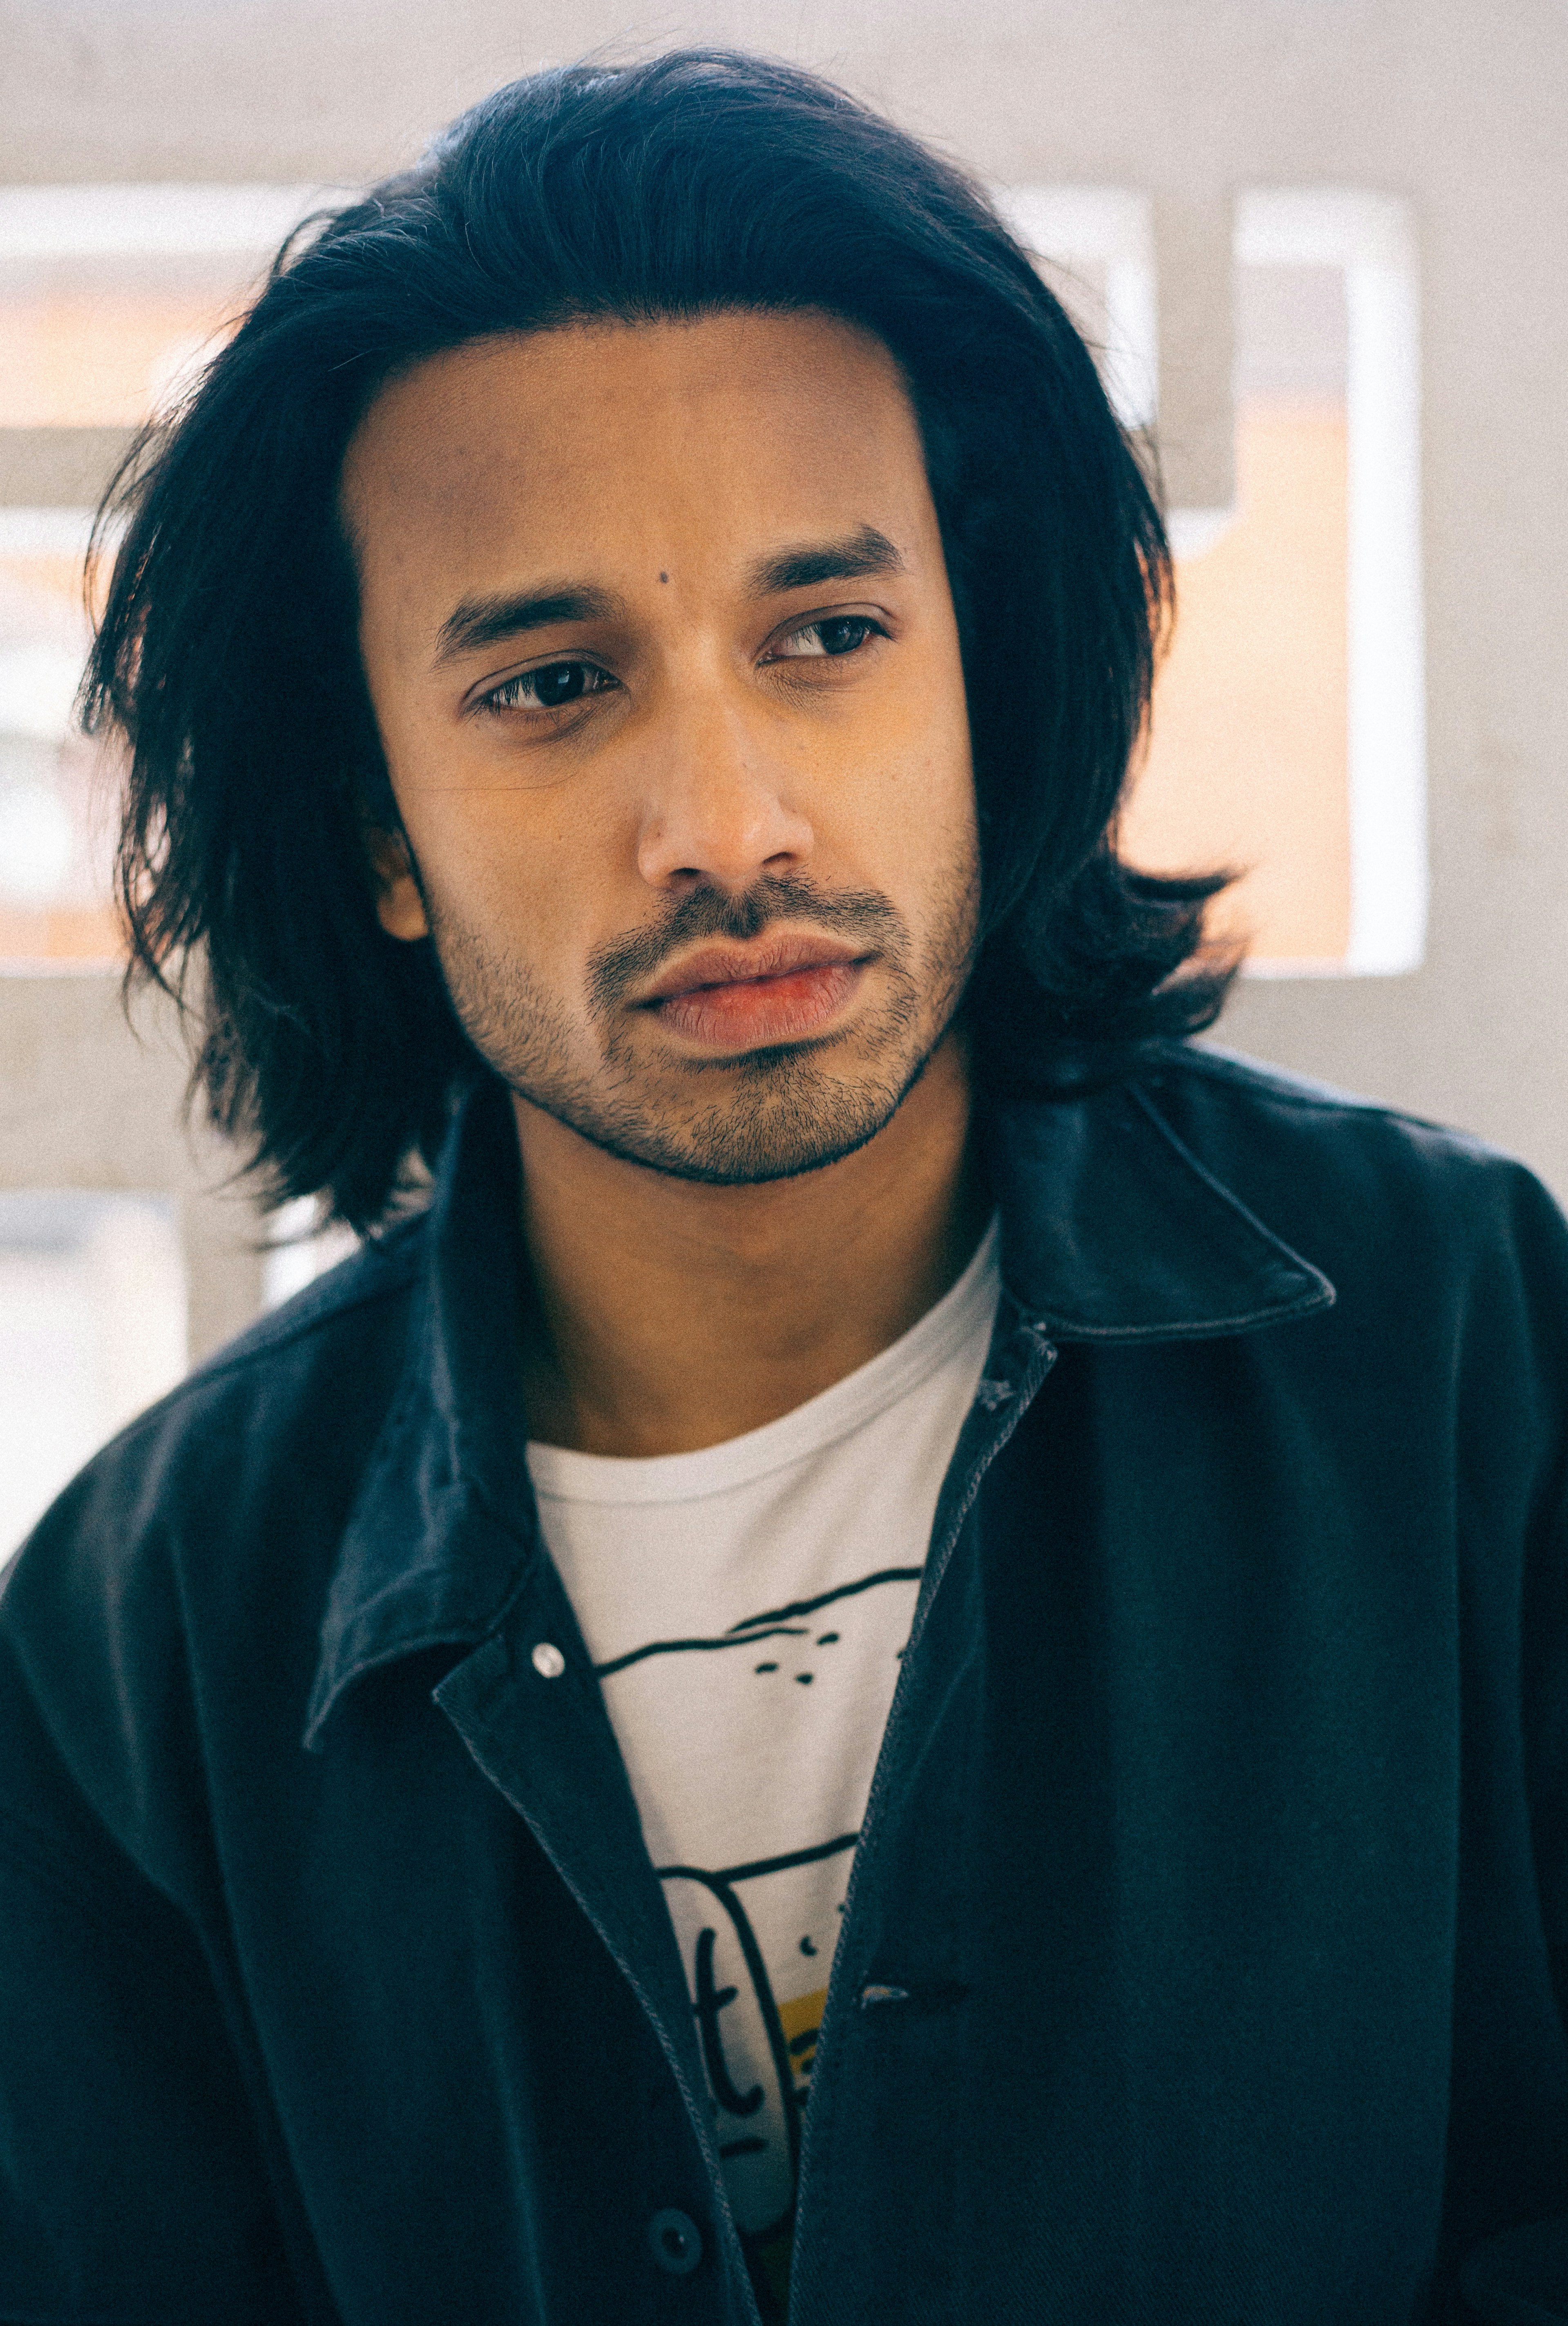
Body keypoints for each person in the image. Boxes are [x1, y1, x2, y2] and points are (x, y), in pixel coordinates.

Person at [0, 47, 1564, 2326]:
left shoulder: (1463, 1350)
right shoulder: (145, 1650)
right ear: (375, 837)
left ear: (980, 684)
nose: (728, 826)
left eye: (829, 638)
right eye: (552, 685)